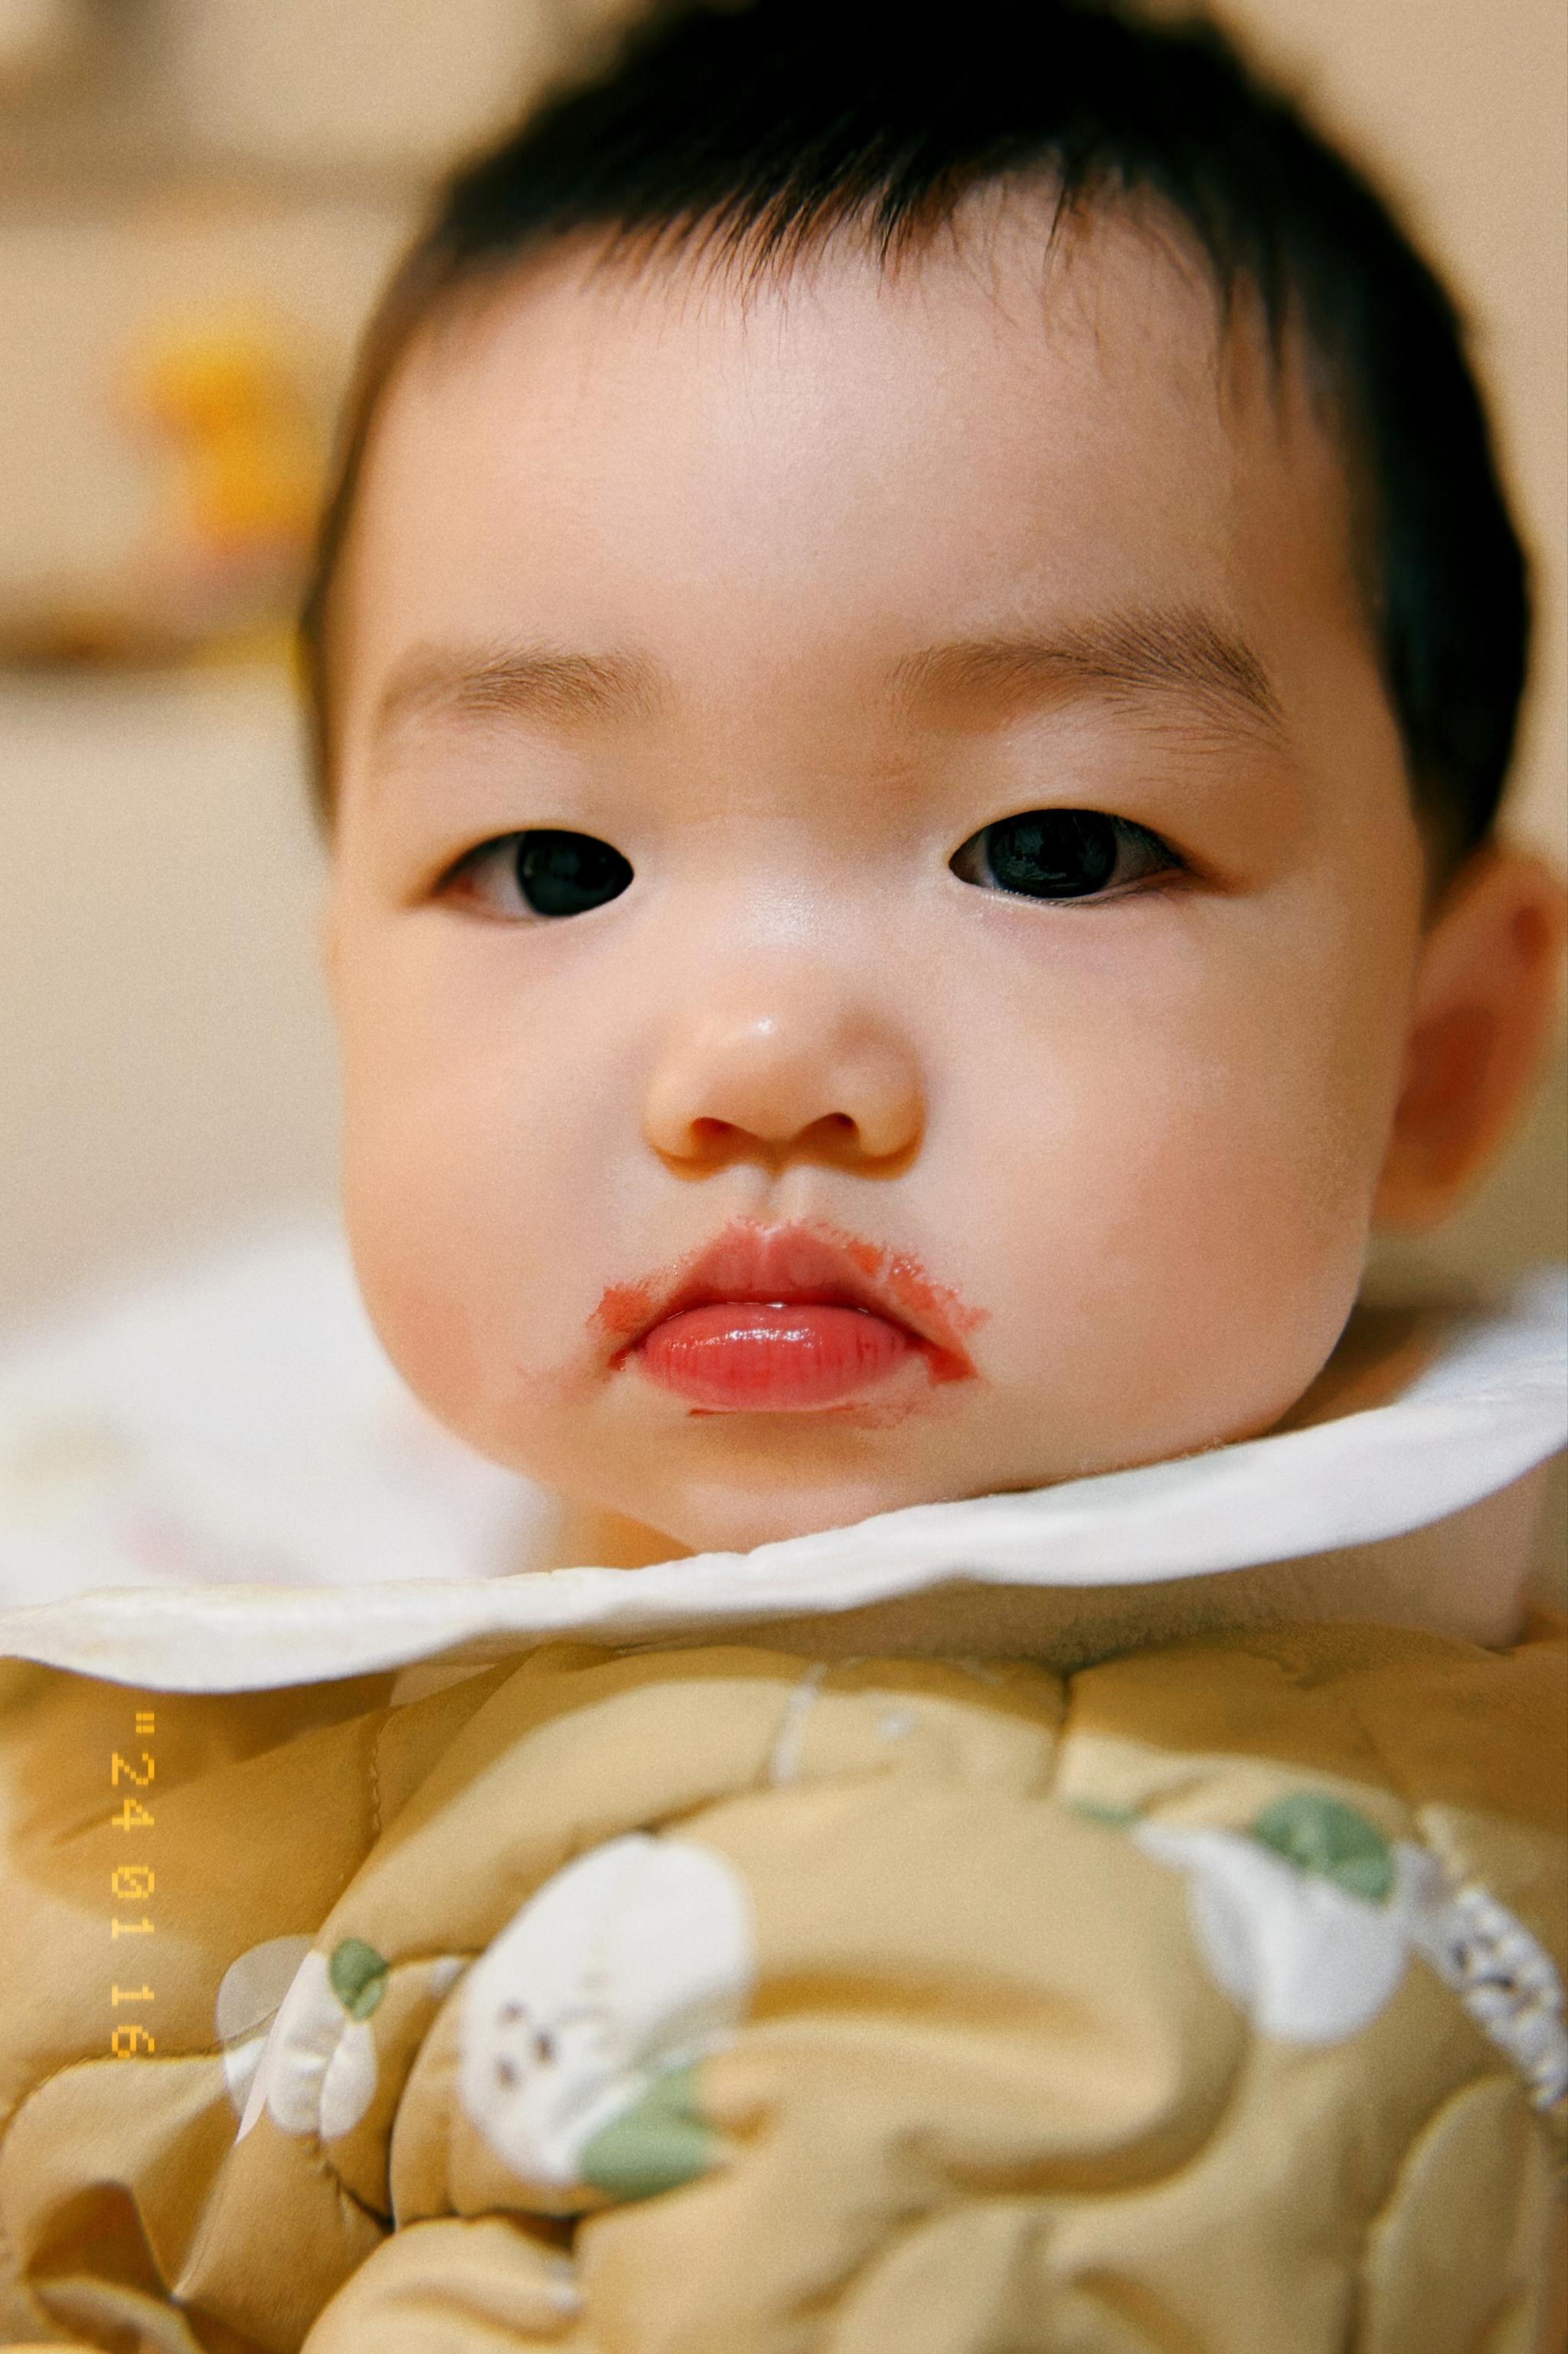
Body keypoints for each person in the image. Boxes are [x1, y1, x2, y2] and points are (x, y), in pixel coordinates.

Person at [0, 2, 1563, 2345]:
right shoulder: (237, 1480)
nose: (754, 1069)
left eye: (1051, 845)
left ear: (1438, 1054)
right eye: (545, 865)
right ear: (346, 973)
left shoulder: (1161, 1971)